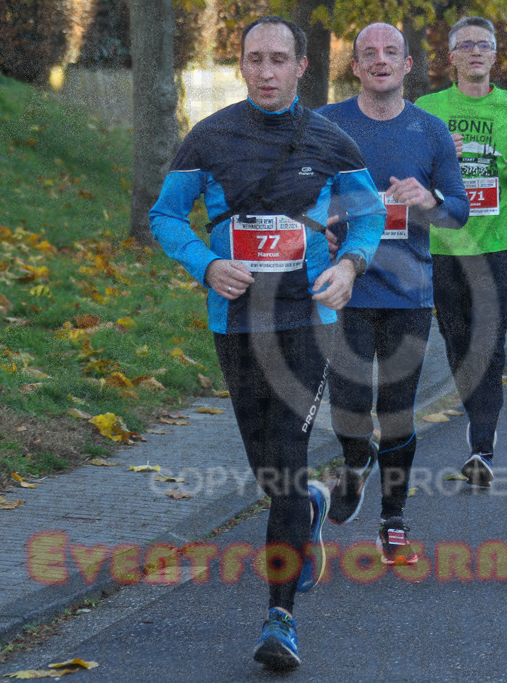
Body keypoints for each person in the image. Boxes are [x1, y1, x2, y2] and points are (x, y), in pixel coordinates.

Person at [148, 16, 385, 671]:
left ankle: (280, 618)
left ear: (302, 66)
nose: (266, 71)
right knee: (270, 473)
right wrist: (205, 265)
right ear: (241, 65)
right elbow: (165, 214)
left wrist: (350, 266)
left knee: (284, 465)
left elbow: (369, 215)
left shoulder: (331, 141)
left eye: (279, 59)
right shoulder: (209, 137)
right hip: (235, 324)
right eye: (255, 59)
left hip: (307, 324)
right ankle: (310, 504)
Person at [316, 23, 469, 564]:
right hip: (345, 289)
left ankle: (394, 520)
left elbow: (458, 213)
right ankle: (356, 462)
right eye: (368, 53)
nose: (380, 60)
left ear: (407, 65)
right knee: (350, 404)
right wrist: (320, 224)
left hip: (408, 293)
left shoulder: (430, 130)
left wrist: (428, 200)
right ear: (355, 67)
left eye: (390, 52)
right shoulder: (327, 123)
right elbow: (303, 193)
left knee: (398, 410)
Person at [415, 16, 507, 487]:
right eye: (466, 45)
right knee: (457, 342)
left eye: (483, 45)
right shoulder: (427, 109)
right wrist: (436, 155)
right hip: (444, 245)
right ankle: (478, 419)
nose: (475, 52)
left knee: (488, 344)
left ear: (494, 55)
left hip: (498, 244)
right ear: (451, 56)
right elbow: (406, 167)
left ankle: (481, 447)